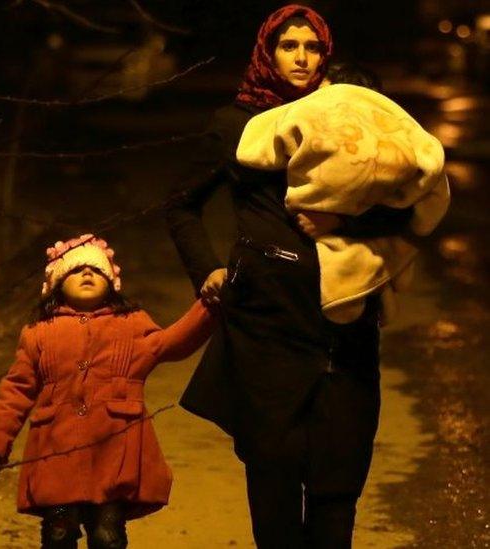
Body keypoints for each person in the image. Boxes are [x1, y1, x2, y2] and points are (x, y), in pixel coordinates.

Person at [166, 5, 413, 548]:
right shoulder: (237, 124)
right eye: (289, 46)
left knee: (337, 484)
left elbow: (408, 205)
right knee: (273, 478)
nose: (301, 57)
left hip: (343, 331)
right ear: (268, 52)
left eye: (312, 47)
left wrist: (342, 218)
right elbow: (182, 205)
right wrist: (206, 267)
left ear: (326, 54)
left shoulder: (354, 122)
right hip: (266, 330)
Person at [0, 233, 214, 548]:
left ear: (111, 283)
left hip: (113, 454)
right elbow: (16, 391)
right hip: (54, 455)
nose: (87, 274)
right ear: (58, 284)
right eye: (76, 270)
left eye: (97, 270)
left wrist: (209, 307)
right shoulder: (38, 334)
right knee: (58, 532)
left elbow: (170, 343)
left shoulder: (131, 324)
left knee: (107, 535)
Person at [236, 64, 450, 323]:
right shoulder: (304, 145)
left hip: (351, 282)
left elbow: (411, 211)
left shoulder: (386, 152)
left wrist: (339, 221)